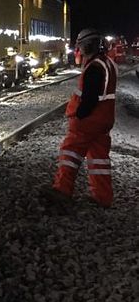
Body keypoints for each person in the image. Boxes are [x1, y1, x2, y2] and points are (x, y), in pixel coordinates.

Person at [49, 28, 117, 207]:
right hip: (104, 119)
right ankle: (102, 197)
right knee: (99, 159)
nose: (79, 50)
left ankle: (62, 190)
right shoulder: (107, 62)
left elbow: (90, 97)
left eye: (80, 46)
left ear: (87, 45)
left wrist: (79, 115)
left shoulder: (94, 67)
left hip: (88, 121)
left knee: (69, 152)